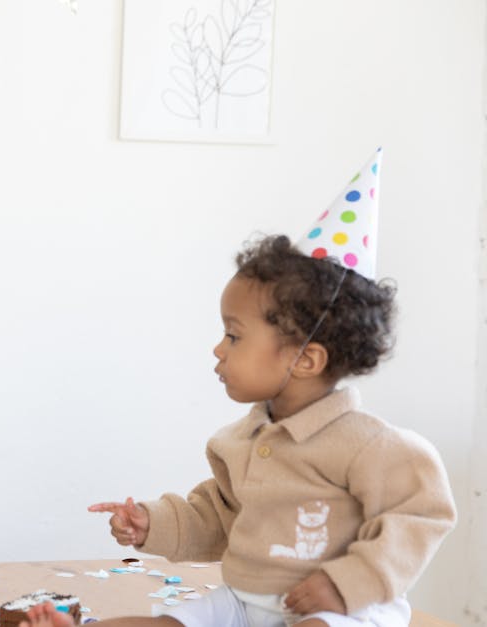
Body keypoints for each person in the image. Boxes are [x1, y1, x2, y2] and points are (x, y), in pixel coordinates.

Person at [26, 150, 456, 627]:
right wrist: (155, 522)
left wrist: (347, 582)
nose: (219, 349)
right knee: (174, 620)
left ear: (305, 359)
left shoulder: (367, 444)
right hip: (247, 599)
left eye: (234, 335)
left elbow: (422, 513)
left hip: (341, 609)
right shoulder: (241, 441)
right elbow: (218, 517)